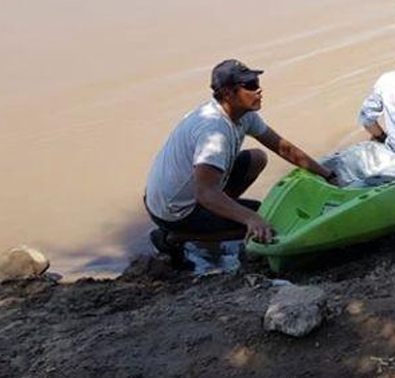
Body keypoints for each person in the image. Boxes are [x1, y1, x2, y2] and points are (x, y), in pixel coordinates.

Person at [144, 59, 336, 267]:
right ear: (228, 94)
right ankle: (174, 237)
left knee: (256, 158)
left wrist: (326, 174)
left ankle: (218, 215)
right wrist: (250, 218)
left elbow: (282, 147)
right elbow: (205, 193)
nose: (259, 90)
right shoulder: (214, 131)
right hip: (174, 211)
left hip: (186, 192)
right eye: (250, 86)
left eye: (257, 82)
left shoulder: (243, 114)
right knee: (267, 220)